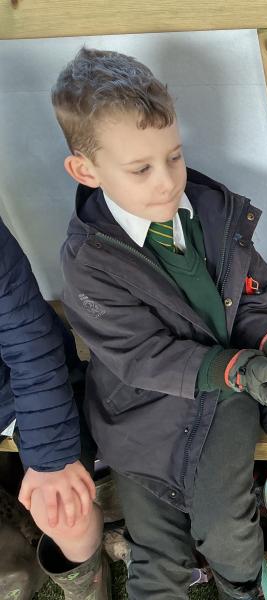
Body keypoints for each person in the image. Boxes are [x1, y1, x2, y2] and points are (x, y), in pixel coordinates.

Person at [53, 47, 267, 599]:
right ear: (85, 170)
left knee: (227, 532)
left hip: (227, 396)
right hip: (139, 414)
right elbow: (140, 355)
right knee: (157, 551)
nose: (167, 181)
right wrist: (234, 366)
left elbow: (250, 293)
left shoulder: (213, 211)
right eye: (141, 169)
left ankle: (240, 588)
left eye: (174, 156)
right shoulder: (89, 261)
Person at [0, 215, 107, 598]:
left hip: (22, 393)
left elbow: (28, 338)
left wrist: (51, 462)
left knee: (64, 513)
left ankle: (87, 585)